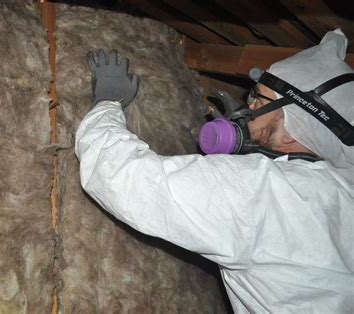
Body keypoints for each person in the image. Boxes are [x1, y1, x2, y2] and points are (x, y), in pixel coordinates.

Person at [75, 29, 353, 313]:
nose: (249, 106)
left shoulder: (258, 190)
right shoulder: (341, 193)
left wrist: (106, 105)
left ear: (292, 133)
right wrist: (253, 145)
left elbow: (126, 180)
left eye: (260, 101)